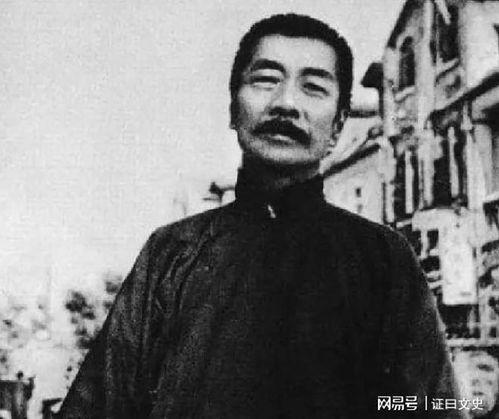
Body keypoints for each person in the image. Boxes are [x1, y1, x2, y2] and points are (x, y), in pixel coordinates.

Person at [58, 13, 465, 418]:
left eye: (313, 87)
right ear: (233, 109)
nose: (286, 103)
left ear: (339, 125)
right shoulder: (171, 254)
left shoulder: (383, 259)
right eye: (266, 80)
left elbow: (432, 406)